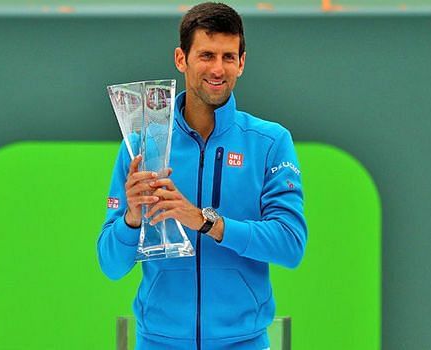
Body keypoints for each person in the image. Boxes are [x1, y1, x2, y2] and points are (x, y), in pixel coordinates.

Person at [97, 3, 307, 349]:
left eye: (228, 57)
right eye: (206, 55)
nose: (218, 69)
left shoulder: (270, 142)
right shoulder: (141, 145)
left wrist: (206, 221)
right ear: (182, 59)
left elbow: (290, 244)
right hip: (158, 341)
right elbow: (110, 264)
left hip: (245, 342)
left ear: (241, 62)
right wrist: (132, 219)